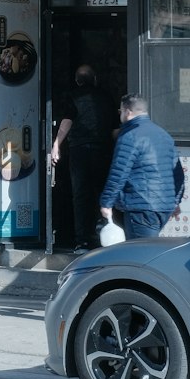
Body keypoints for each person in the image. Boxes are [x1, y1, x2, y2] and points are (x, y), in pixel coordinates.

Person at [100, 93, 186, 240]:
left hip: (141, 207)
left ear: (127, 111)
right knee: (149, 249)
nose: (120, 115)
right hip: (163, 207)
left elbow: (119, 172)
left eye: (120, 111)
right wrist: (175, 201)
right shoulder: (164, 135)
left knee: (142, 255)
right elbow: (178, 174)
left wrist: (106, 203)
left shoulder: (130, 136)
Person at [50, 64, 115, 250]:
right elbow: (115, 129)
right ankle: (104, 236)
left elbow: (67, 122)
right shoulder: (106, 97)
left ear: (77, 80)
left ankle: (82, 241)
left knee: (80, 196)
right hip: (102, 149)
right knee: (103, 192)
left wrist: (56, 145)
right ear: (95, 79)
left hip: (79, 151)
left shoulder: (72, 96)